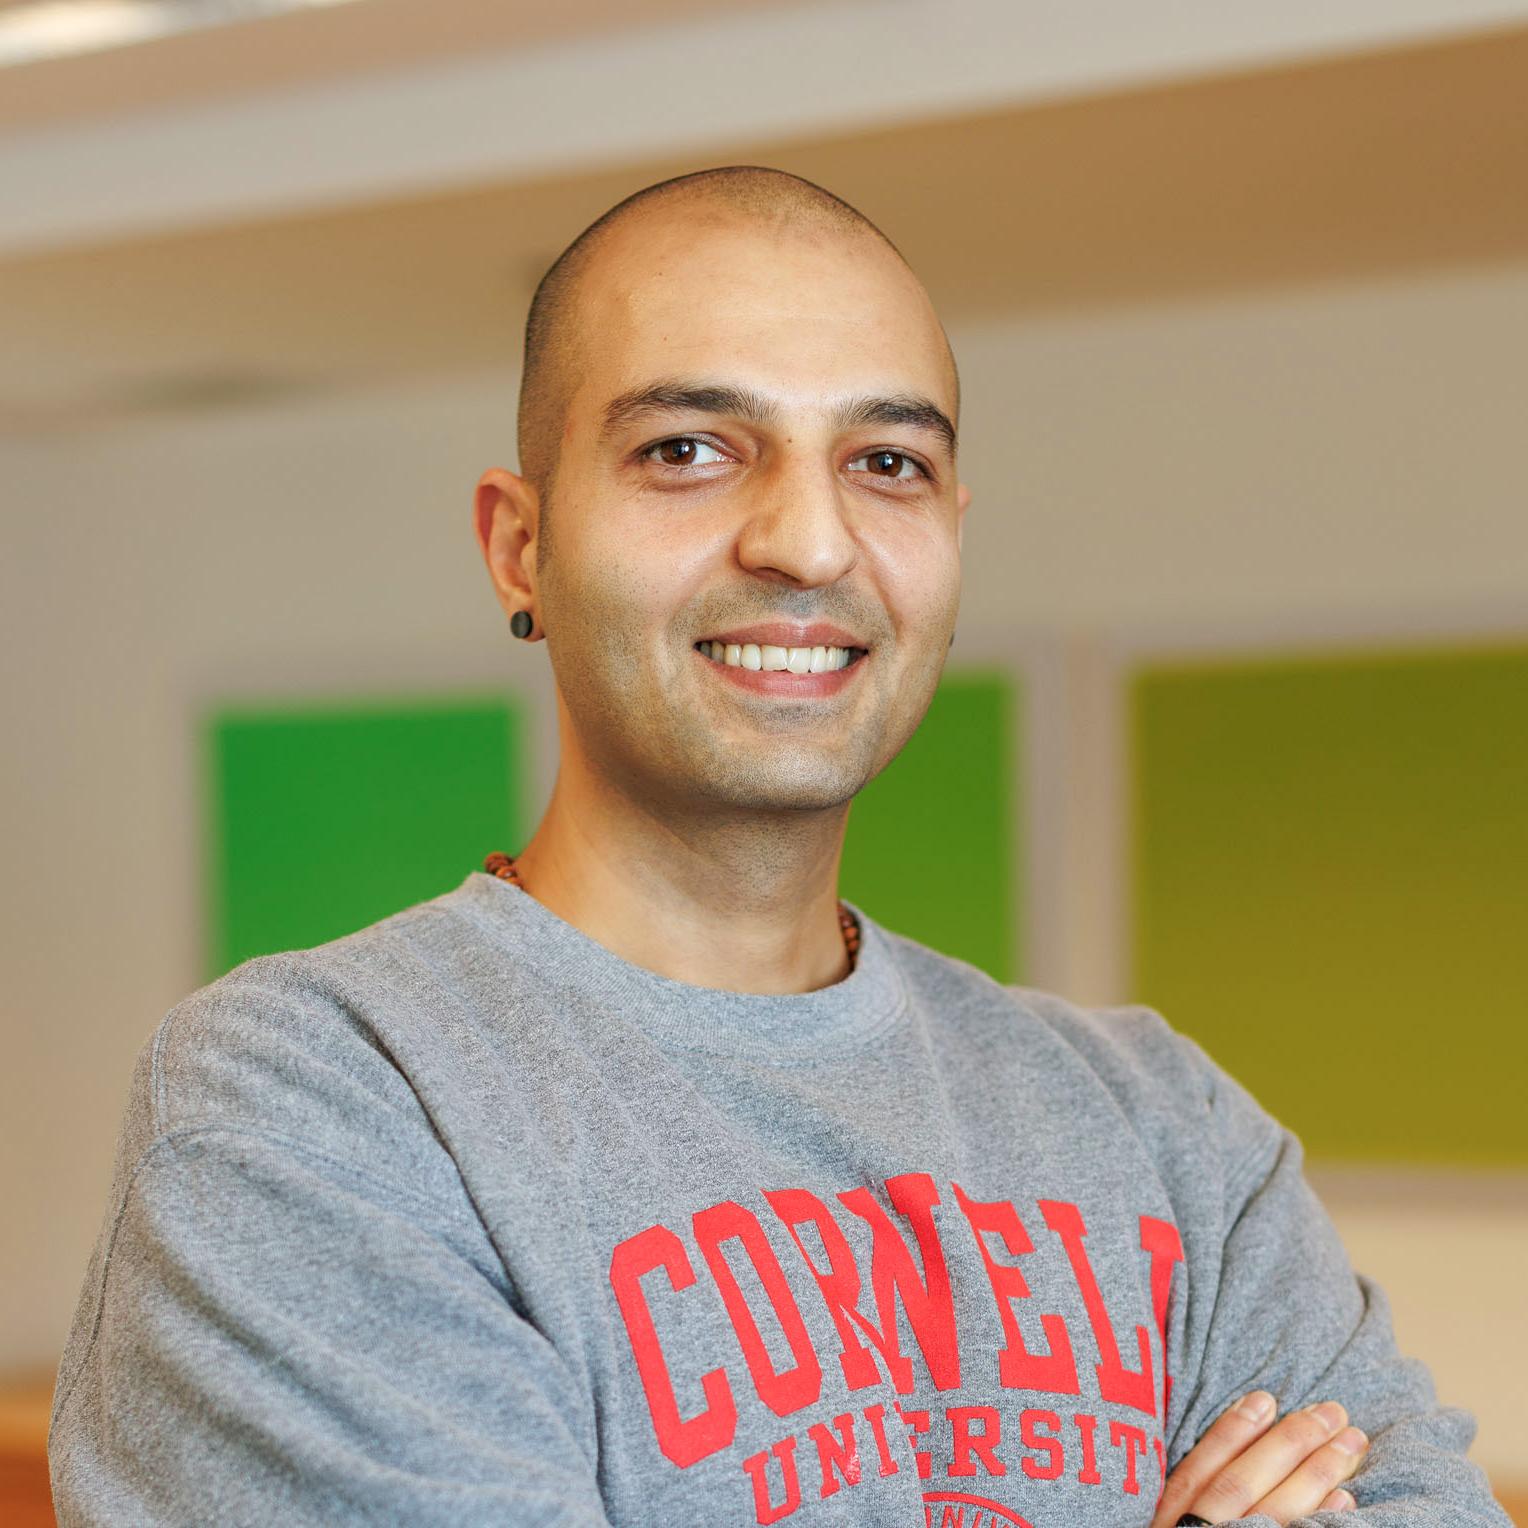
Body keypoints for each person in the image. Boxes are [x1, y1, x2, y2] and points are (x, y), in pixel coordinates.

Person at [48, 167, 1506, 1528]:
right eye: (688, 449)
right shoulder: (319, 1104)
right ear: (521, 545)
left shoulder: (1164, 1128)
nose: (809, 543)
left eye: (885, 461)